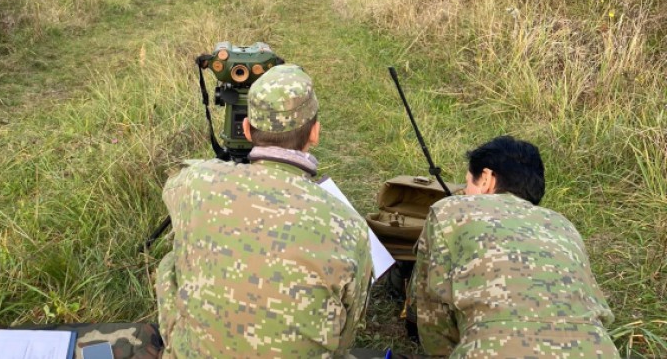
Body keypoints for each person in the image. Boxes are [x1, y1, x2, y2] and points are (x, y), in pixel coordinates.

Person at [156, 64, 373, 358]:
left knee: (170, 261)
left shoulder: (197, 182)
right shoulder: (349, 225)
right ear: (315, 133)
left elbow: (173, 184)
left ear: (246, 129)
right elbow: (346, 334)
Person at [410, 135, 618, 358]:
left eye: (468, 182)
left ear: (487, 178)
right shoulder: (563, 225)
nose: (465, 191)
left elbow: (431, 305)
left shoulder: (449, 211)